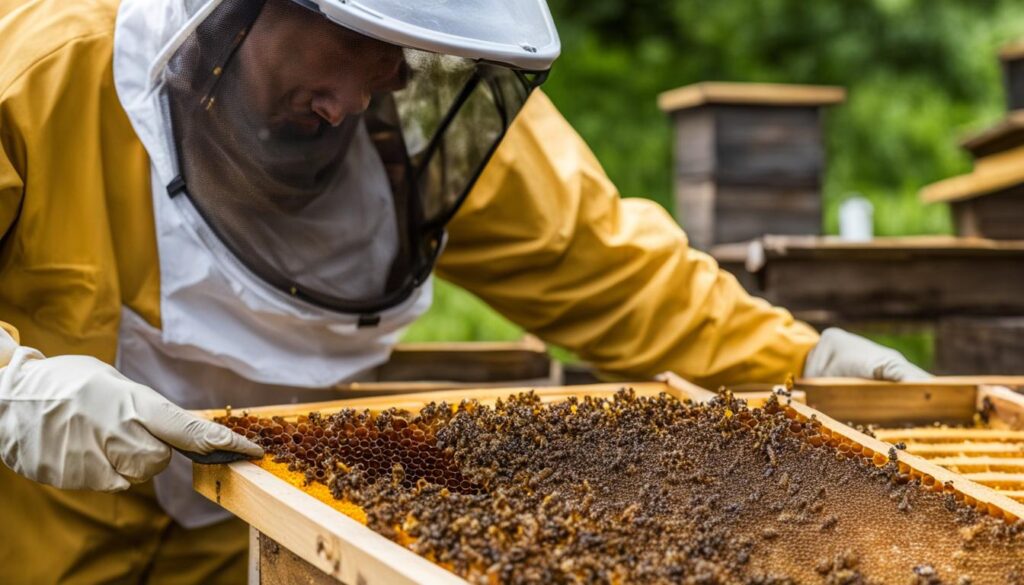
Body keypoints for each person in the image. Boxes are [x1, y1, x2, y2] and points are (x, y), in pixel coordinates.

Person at [0, 0, 928, 581]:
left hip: (247, 548)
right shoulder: (37, 70)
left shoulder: (402, 114)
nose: (356, 99)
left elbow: (607, 267)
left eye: (399, 60)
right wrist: (15, 390)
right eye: (353, 42)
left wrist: (799, 357)